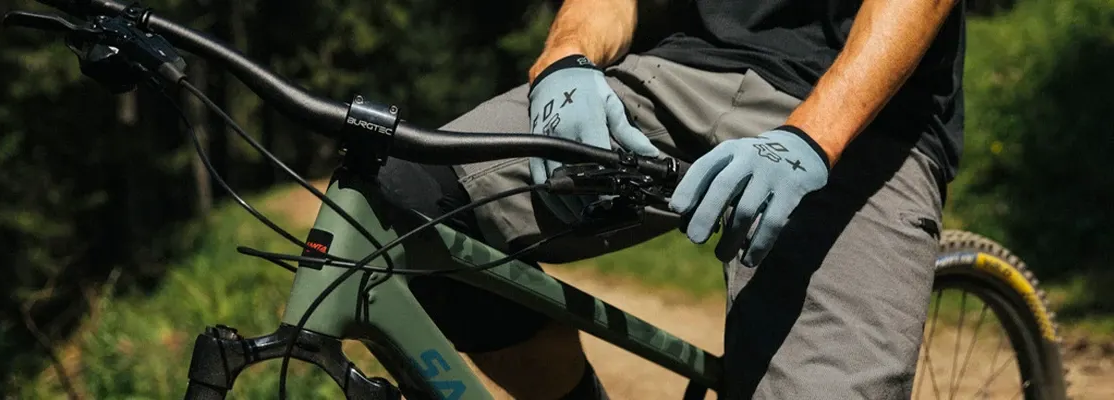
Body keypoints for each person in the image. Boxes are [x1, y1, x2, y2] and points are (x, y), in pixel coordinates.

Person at [379, 0, 965, 398]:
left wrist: (809, 138)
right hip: (684, 74)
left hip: (872, 122)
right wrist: (564, 61)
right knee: (403, 197)